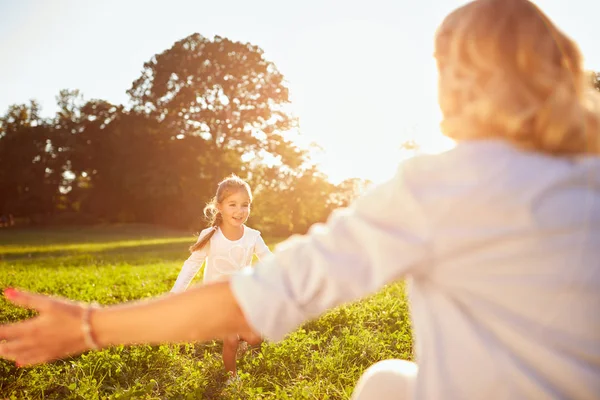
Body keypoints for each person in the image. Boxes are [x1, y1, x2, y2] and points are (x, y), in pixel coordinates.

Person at [1, 0, 599, 398]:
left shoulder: (441, 186)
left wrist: (89, 326)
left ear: (464, 76)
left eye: (441, 66)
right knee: (390, 381)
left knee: (380, 385)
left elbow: (253, 299)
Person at [170, 173, 271, 381]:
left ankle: (248, 342)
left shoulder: (253, 236)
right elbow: (192, 265)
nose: (240, 211)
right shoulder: (210, 236)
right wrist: (176, 293)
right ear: (219, 206)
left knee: (255, 338)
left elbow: (269, 261)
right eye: (232, 204)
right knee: (230, 341)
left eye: (245, 204)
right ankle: (232, 378)